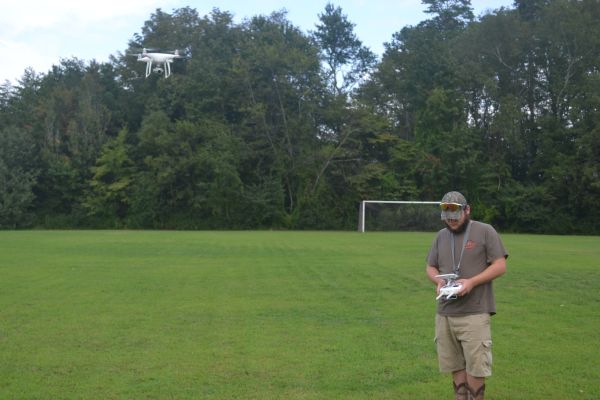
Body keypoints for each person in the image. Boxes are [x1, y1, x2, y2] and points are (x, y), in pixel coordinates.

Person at [426, 191, 508, 400]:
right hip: (445, 313)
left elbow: (500, 265)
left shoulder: (485, 231)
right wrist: (439, 281)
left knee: (476, 369)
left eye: (455, 218)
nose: (452, 223)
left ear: (467, 210)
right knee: (455, 366)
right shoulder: (440, 236)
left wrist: (472, 282)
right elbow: (430, 267)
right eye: (447, 219)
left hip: (475, 313)